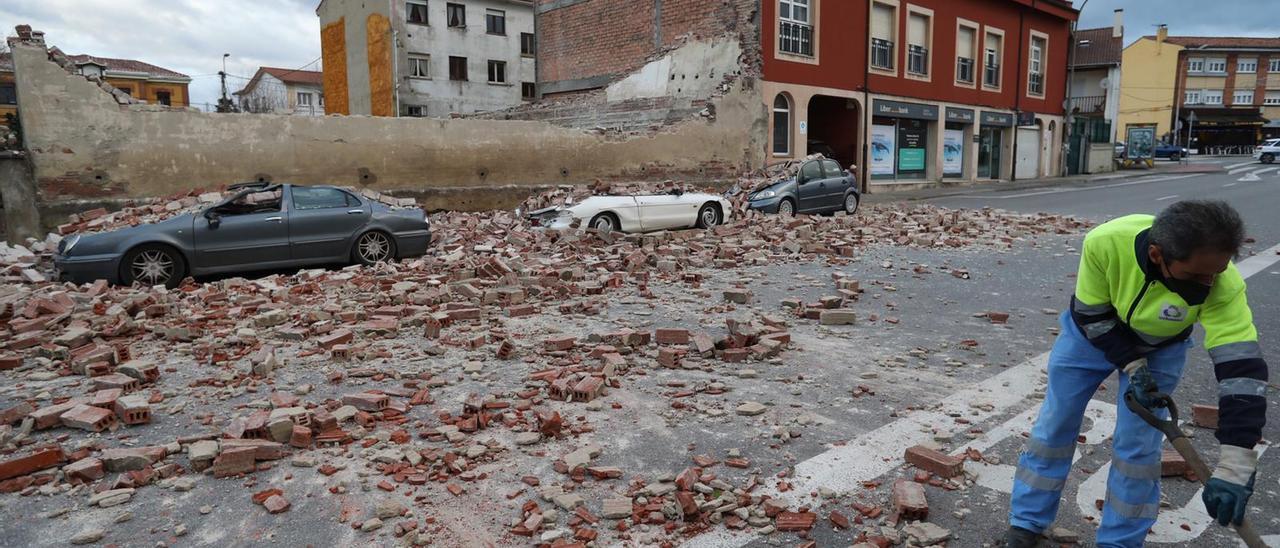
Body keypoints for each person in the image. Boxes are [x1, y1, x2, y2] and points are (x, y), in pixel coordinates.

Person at [1005, 201, 1268, 547]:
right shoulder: (1106, 242)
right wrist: (1131, 365)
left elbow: (1241, 370)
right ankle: (1026, 522)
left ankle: (1120, 542)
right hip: (1091, 337)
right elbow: (1092, 315)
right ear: (1158, 255)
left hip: (1162, 347)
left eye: (1215, 274)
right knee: (1056, 424)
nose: (1207, 284)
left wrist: (1236, 464)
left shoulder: (1223, 284)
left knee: (1138, 450)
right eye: (1195, 276)